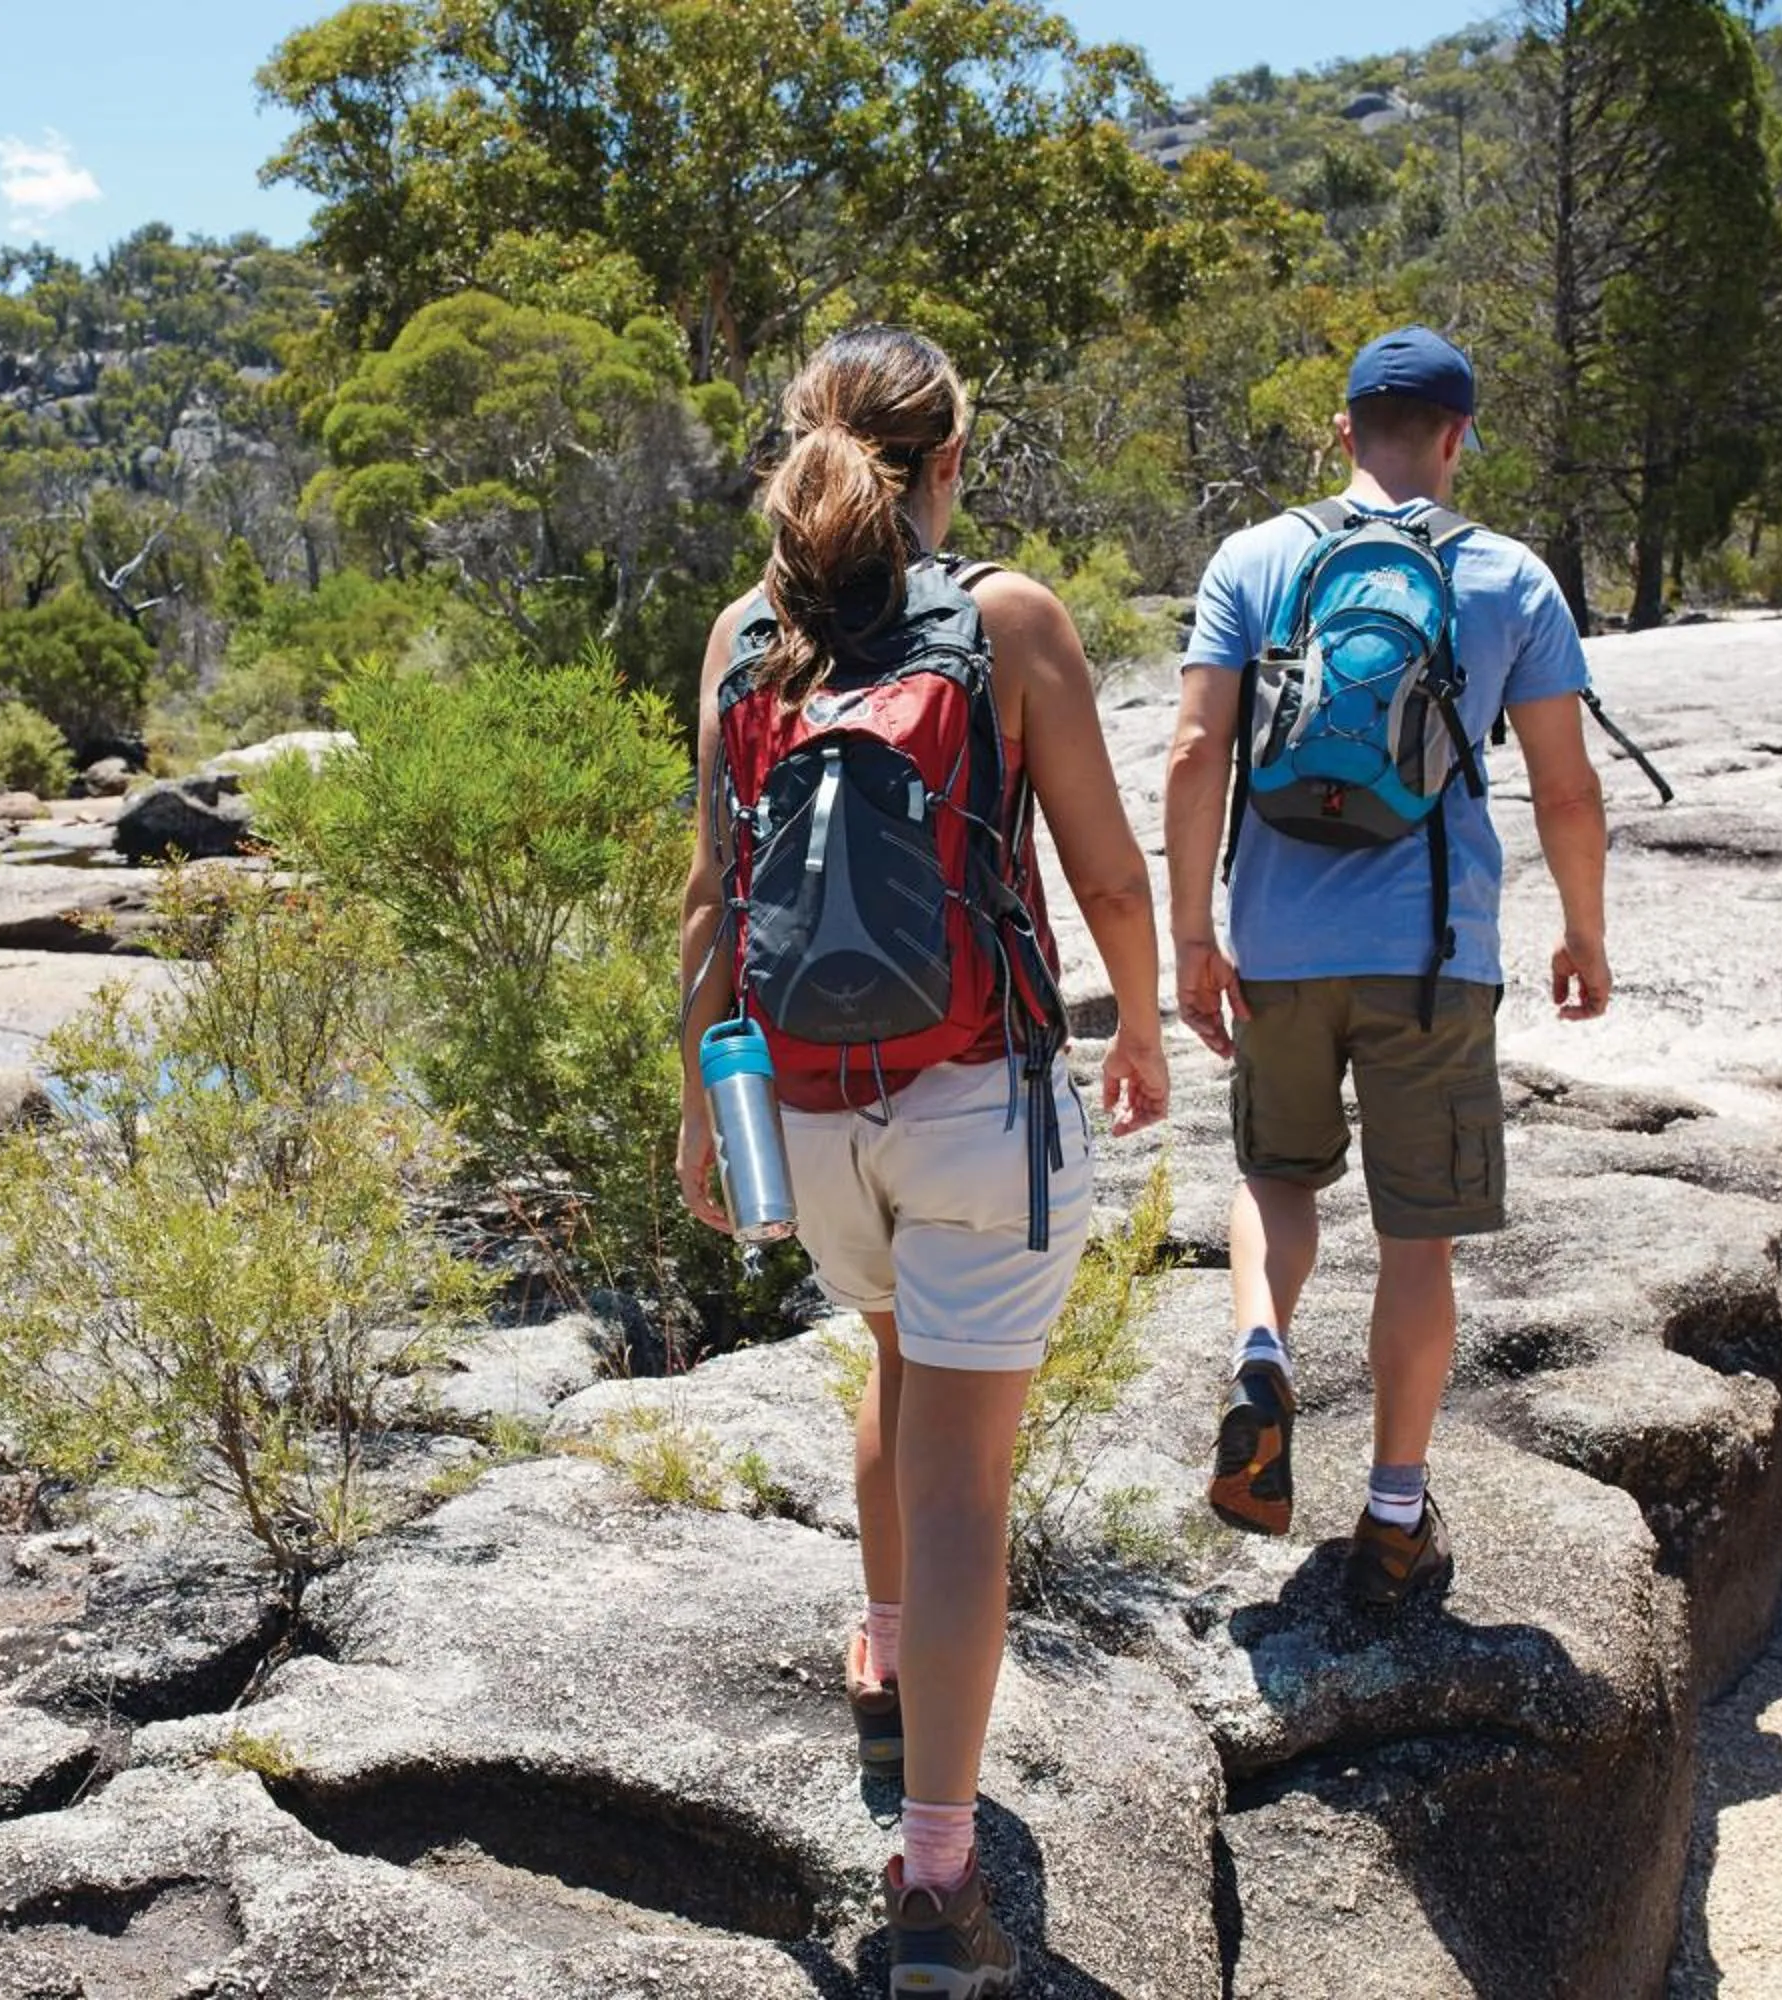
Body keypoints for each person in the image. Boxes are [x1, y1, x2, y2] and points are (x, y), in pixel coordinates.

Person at [677, 325, 1168, 1998]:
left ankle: (885, 1665)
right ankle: (939, 1880)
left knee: (892, 1357)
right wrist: (1150, 1026)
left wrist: (698, 1110)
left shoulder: (746, 638)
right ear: (952, 461)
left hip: (809, 1111)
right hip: (979, 1102)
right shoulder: (1009, 619)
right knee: (969, 1476)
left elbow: (706, 900)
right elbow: (1103, 873)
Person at [1164, 325, 1612, 1611]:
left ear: (1344, 429)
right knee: (1421, 1243)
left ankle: (1262, 1344)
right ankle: (1395, 1518)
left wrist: (1197, 935)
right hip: (1435, 957)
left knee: (1274, 1172)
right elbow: (1567, 789)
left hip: (1283, 947)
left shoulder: (1256, 556)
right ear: (1458, 435)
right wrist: (1583, 930)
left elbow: (1198, 756)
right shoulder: (1507, 577)